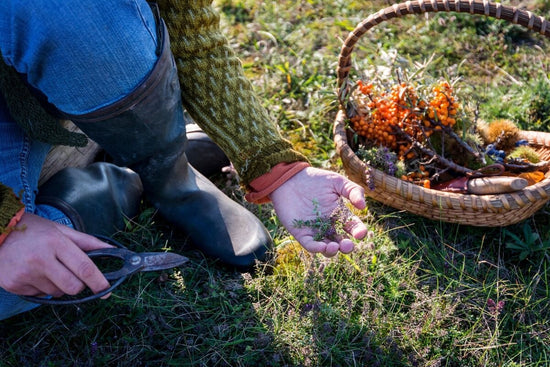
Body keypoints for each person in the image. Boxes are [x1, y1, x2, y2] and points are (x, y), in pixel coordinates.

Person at [0, 0, 368, 320]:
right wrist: (6, 228)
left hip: (48, 55)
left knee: (72, 10)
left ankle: (169, 178)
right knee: (20, 284)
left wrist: (279, 170)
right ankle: (103, 190)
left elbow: (189, 29)